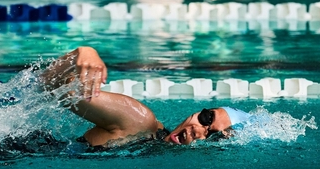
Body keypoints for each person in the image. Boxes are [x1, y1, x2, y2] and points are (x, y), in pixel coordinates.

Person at [41, 46, 250, 147]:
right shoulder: (140, 122)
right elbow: (52, 86)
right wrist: (83, 53)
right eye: (206, 118)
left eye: (210, 134)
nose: (197, 130)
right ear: (197, 112)